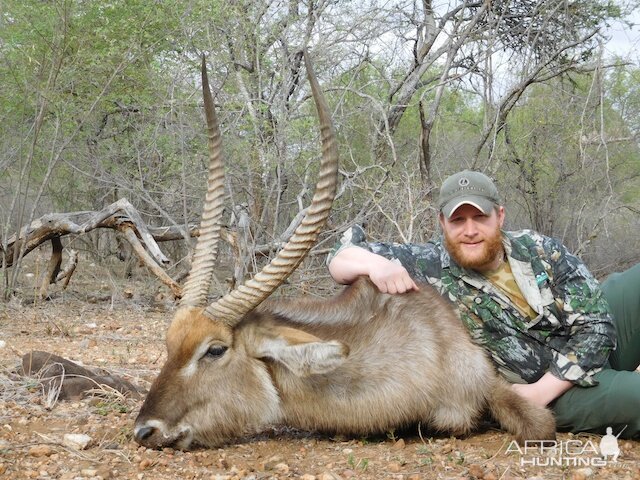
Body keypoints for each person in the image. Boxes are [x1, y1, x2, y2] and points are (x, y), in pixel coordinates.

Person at [328, 170, 640, 439]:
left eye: (480, 217)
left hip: (581, 356)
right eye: (458, 220)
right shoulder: (425, 264)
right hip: (555, 392)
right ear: (442, 222)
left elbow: (597, 325)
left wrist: (542, 390)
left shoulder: (538, 247)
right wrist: (375, 265)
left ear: (500, 216)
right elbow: (340, 254)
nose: (470, 230)